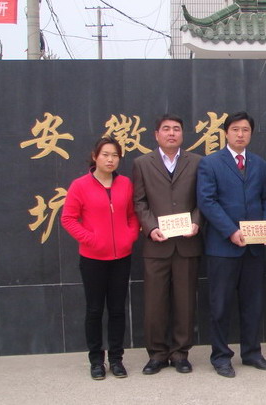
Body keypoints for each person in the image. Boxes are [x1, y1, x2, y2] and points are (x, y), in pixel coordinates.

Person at [196, 111, 266, 378]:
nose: (240, 134)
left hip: (254, 247)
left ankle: (252, 352)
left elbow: (265, 199)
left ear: (251, 133)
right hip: (223, 247)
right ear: (226, 133)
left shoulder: (260, 164)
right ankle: (220, 356)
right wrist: (230, 231)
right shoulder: (210, 163)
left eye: (245, 130)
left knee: (253, 303)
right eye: (235, 130)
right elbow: (207, 201)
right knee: (220, 305)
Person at [61, 136, 140, 380]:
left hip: (121, 257)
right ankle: (96, 360)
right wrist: (91, 239)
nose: (110, 159)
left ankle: (116, 359)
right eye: (105, 154)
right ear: (95, 157)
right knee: (95, 310)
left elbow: (132, 215)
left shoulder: (125, 184)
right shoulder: (80, 185)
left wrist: (129, 236)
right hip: (93, 259)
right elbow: (68, 219)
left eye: (115, 155)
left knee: (117, 310)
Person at [132, 114, 202, 375]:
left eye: (176, 129)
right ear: (156, 134)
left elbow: (203, 199)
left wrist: (196, 222)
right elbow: (139, 201)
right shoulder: (142, 163)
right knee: (155, 303)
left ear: (182, 134)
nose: (171, 133)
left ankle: (181, 353)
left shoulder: (197, 162)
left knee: (185, 302)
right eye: (166, 129)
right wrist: (150, 228)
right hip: (156, 245)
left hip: (187, 243)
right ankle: (157, 354)